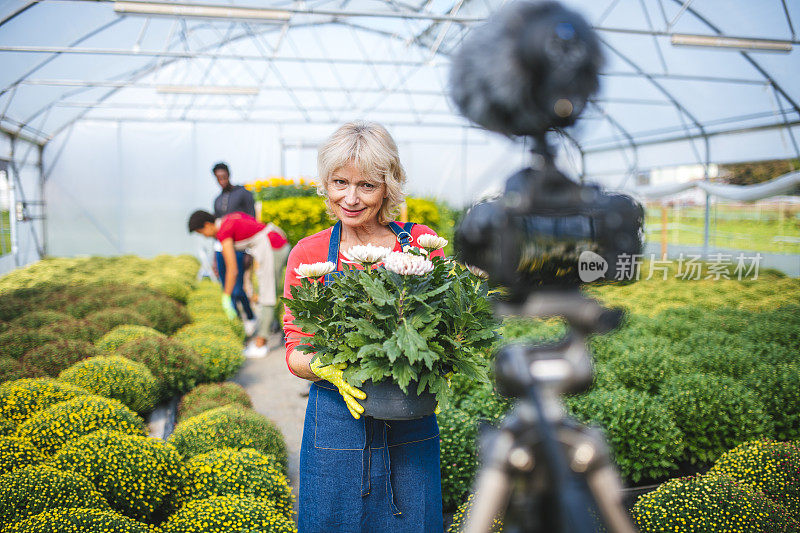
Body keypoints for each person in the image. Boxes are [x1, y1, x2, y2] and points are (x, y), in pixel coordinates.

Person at [283, 120, 445, 532]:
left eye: (367, 186)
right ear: (326, 183)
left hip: (410, 414)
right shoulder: (310, 252)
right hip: (338, 417)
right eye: (340, 182)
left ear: (389, 187)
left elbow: (448, 323)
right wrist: (325, 368)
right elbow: (295, 345)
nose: (350, 198)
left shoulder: (421, 244)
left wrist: (443, 367)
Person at [188, 210, 290, 359]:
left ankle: (261, 344)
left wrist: (226, 296)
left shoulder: (223, 232)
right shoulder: (228, 219)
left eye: (201, 232)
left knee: (267, 294)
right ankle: (271, 329)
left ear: (208, 225)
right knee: (267, 292)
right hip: (276, 242)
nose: (204, 236)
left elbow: (232, 269)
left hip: (272, 247)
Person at [211, 162, 258, 335]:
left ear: (229, 175)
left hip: (239, 248)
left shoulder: (243, 194)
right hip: (220, 248)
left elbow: (252, 222)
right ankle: (238, 323)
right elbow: (214, 231)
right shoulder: (217, 200)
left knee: (238, 289)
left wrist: (249, 252)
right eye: (218, 178)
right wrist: (214, 259)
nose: (222, 180)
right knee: (227, 289)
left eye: (224, 176)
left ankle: (251, 317)